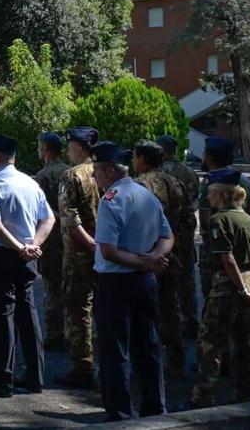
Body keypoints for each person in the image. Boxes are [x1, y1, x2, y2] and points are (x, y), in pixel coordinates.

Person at [93, 146, 173, 421]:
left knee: (115, 349)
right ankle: (155, 406)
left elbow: (108, 250)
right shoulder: (145, 194)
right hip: (145, 280)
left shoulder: (111, 199)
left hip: (117, 280)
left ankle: (120, 411)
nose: (94, 177)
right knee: (147, 344)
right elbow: (167, 236)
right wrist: (154, 259)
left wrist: (146, 262)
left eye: (97, 171)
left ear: (110, 171)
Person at [0, 135, 55, 398]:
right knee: (27, 312)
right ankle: (35, 376)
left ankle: (3, 378)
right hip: (28, 255)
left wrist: (18, 247)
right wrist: (33, 245)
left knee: (3, 316)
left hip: (2, 254)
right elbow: (49, 218)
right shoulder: (30, 183)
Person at [189, 168, 250, 409]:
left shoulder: (219, 220)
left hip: (227, 285)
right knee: (247, 342)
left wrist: (241, 289)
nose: (208, 198)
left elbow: (227, 259)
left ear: (221, 195)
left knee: (211, 343)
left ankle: (204, 396)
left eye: (210, 193)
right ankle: (247, 392)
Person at [131, 140, 193, 380]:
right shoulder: (175, 182)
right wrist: (175, 249)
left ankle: (146, 364)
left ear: (143, 159)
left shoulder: (139, 185)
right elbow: (189, 219)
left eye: (135, 156)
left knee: (144, 311)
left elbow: (137, 223)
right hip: (171, 253)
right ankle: (176, 361)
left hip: (147, 256)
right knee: (170, 307)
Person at [56, 127, 102, 389]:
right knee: (103, 307)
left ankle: (83, 365)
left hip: (80, 252)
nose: (68, 150)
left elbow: (69, 218)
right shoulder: (105, 170)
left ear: (80, 148)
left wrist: (89, 244)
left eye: (71, 145)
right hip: (106, 251)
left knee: (78, 309)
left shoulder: (72, 175)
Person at [197, 137, 250, 304]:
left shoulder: (211, 181)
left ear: (210, 158)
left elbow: (205, 220)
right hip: (243, 247)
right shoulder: (243, 180)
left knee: (214, 299)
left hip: (216, 251)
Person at [158, 134, 200, 340]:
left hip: (163, 237)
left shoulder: (157, 174)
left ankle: (167, 326)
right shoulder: (189, 172)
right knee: (187, 280)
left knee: (165, 284)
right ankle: (190, 321)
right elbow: (193, 203)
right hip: (184, 233)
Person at [32, 131, 70, 352]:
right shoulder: (68, 172)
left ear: (45, 150)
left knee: (53, 288)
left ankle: (55, 334)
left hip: (51, 239)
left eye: (39, 147)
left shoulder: (43, 175)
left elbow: (39, 212)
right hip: (71, 238)